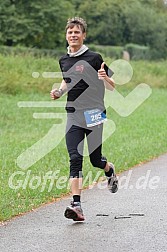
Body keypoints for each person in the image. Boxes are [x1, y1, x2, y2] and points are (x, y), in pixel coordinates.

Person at [50, 17, 118, 222]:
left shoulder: (95, 57)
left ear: (83, 35)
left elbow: (112, 85)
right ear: (66, 36)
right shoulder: (64, 60)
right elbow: (67, 79)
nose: (73, 35)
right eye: (70, 32)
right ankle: (77, 205)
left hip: (95, 113)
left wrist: (104, 77)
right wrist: (60, 91)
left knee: (95, 159)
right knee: (75, 158)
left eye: (77, 32)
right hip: (73, 113)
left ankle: (109, 169)